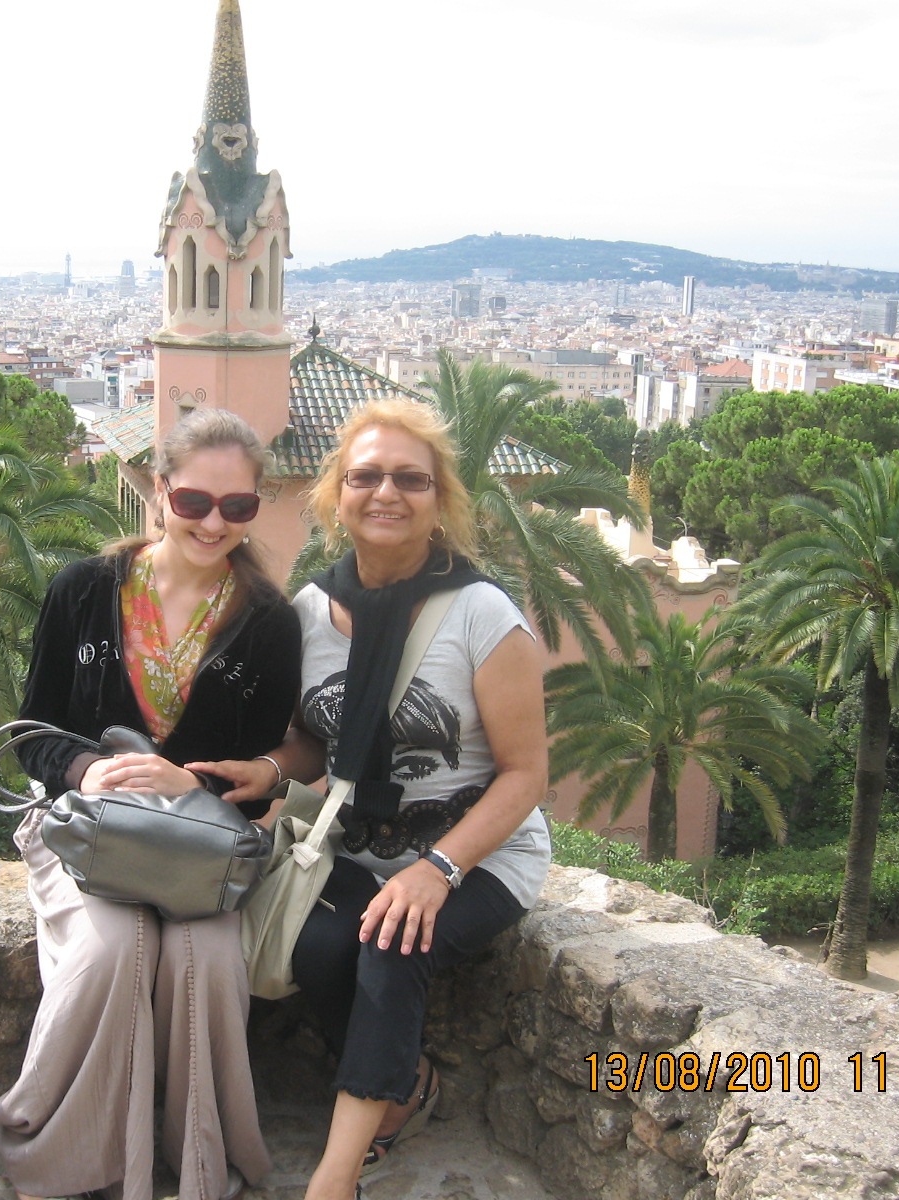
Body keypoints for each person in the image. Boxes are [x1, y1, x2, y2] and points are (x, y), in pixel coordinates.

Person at [194, 398, 551, 1200]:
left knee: (393, 943)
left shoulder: (481, 614)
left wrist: (438, 870)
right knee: (321, 948)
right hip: (356, 845)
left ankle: (336, 1176)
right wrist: (271, 772)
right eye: (366, 476)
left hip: (479, 853)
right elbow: (314, 739)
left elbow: (526, 775)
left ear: (440, 499)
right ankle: (407, 1085)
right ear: (336, 495)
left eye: (410, 479)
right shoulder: (311, 611)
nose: (386, 492)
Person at [0, 408, 302, 1200]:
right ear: (160, 490)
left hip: (198, 852)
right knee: (111, 951)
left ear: (255, 507)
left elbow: (258, 775)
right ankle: (75, 1157)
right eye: (194, 500)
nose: (213, 523)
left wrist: (193, 784)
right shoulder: (84, 591)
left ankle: (196, 1163)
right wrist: (88, 768)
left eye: (237, 506)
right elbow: (34, 733)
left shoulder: (268, 624)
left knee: (208, 963)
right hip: (87, 833)